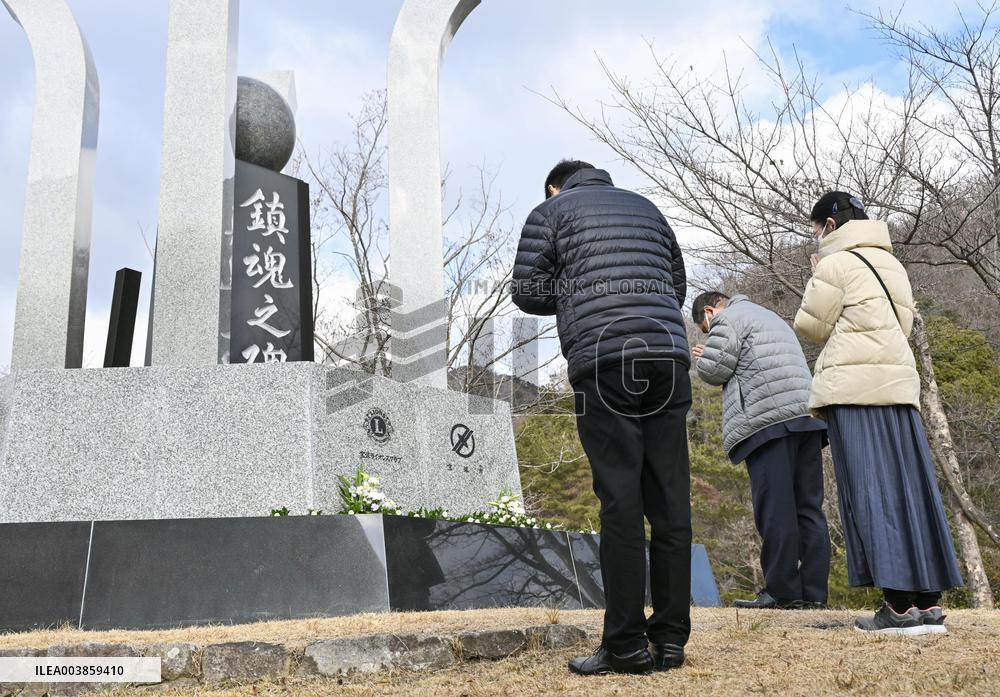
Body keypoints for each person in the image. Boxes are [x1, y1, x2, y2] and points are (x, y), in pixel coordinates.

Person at [512, 160, 691, 675]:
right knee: (670, 496)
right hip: (666, 354)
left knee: (621, 498)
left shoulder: (550, 211)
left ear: (555, 186)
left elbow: (527, 291)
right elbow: (675, 283)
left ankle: (626, 646)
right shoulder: (649, 208)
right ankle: (672, 639)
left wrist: (581, 291)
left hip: (604, 357)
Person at [794, 191, 963, 635]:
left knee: (871, 489)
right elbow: (901, 326)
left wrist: (816, 279)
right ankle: (927, 604)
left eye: (815, 227)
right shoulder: (892, 265)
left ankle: (897, 608)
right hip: (899, 386)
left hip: (855, 389)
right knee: (911, 489)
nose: (814, 235)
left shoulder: (835, 263)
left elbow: (809, 326)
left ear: (829, 225)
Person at [691, 292, 831, 610]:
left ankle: (782, 591)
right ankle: (814, 594)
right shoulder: (768, 315)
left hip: (768, 422)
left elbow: (714, 370)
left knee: (775, 509)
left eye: (705, 328)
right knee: (808, 508)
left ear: (710, 311)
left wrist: (704, 357)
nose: (708, 333)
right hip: (807, 418)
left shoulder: (727, 318)